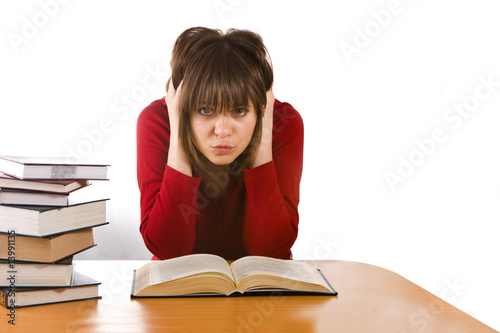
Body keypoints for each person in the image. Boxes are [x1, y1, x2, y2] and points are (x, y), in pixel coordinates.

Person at [136, 27, 303, 261]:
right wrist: (179, 134)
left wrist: (263, 136)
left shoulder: (283, 123)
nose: (223, 131)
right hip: (178, 291)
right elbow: (168, 251)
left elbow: (270, 251)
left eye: (240, 110)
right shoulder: (157, 121)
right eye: (205, 110)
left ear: (261, 107)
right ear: (181, 107)